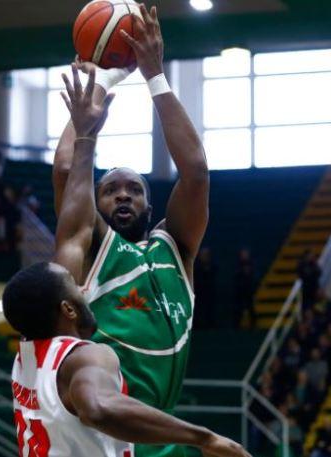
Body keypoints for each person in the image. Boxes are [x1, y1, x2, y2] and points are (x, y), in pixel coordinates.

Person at [51, 6, 209, 457]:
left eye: (134, 190)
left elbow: (196, 172)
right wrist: (101, 83)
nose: (123, 195)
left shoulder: (176, 248)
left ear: (150, 206)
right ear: (94, 203)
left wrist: (155, 76)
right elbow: (66, 170)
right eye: (110, 190)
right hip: (105, 436)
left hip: (165, 436)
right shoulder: (94, 247)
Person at [3, 262, 248, 457]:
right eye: (75, 286)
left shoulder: (24, 360)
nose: (84, 290)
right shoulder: (84, 356)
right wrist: (204, 438)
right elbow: (98, 409)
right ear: (68, 309)